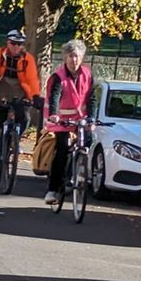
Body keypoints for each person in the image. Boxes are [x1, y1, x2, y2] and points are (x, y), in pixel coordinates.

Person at [42, 39, 97, 204]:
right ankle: (53, 190)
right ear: (65, 57)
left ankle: (79, 176)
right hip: (62, 121)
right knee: (62, 150)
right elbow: (55, 96)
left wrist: (91, 119)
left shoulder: (87, 74)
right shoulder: (59, 76)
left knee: (89, 142)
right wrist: (53, 114)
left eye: (78, 56)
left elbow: (91, 97)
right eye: (71, 56)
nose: (74, 60)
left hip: (81, 119)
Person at [0, 29, 41, 179]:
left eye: (19, 44)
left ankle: (15, 140)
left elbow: (32, 78)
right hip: (1, 86)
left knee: (25, 117)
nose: (16, 47)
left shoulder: (28, 59)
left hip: (20, 88)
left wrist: (35, 96)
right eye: (13, 43)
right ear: (7, 42)